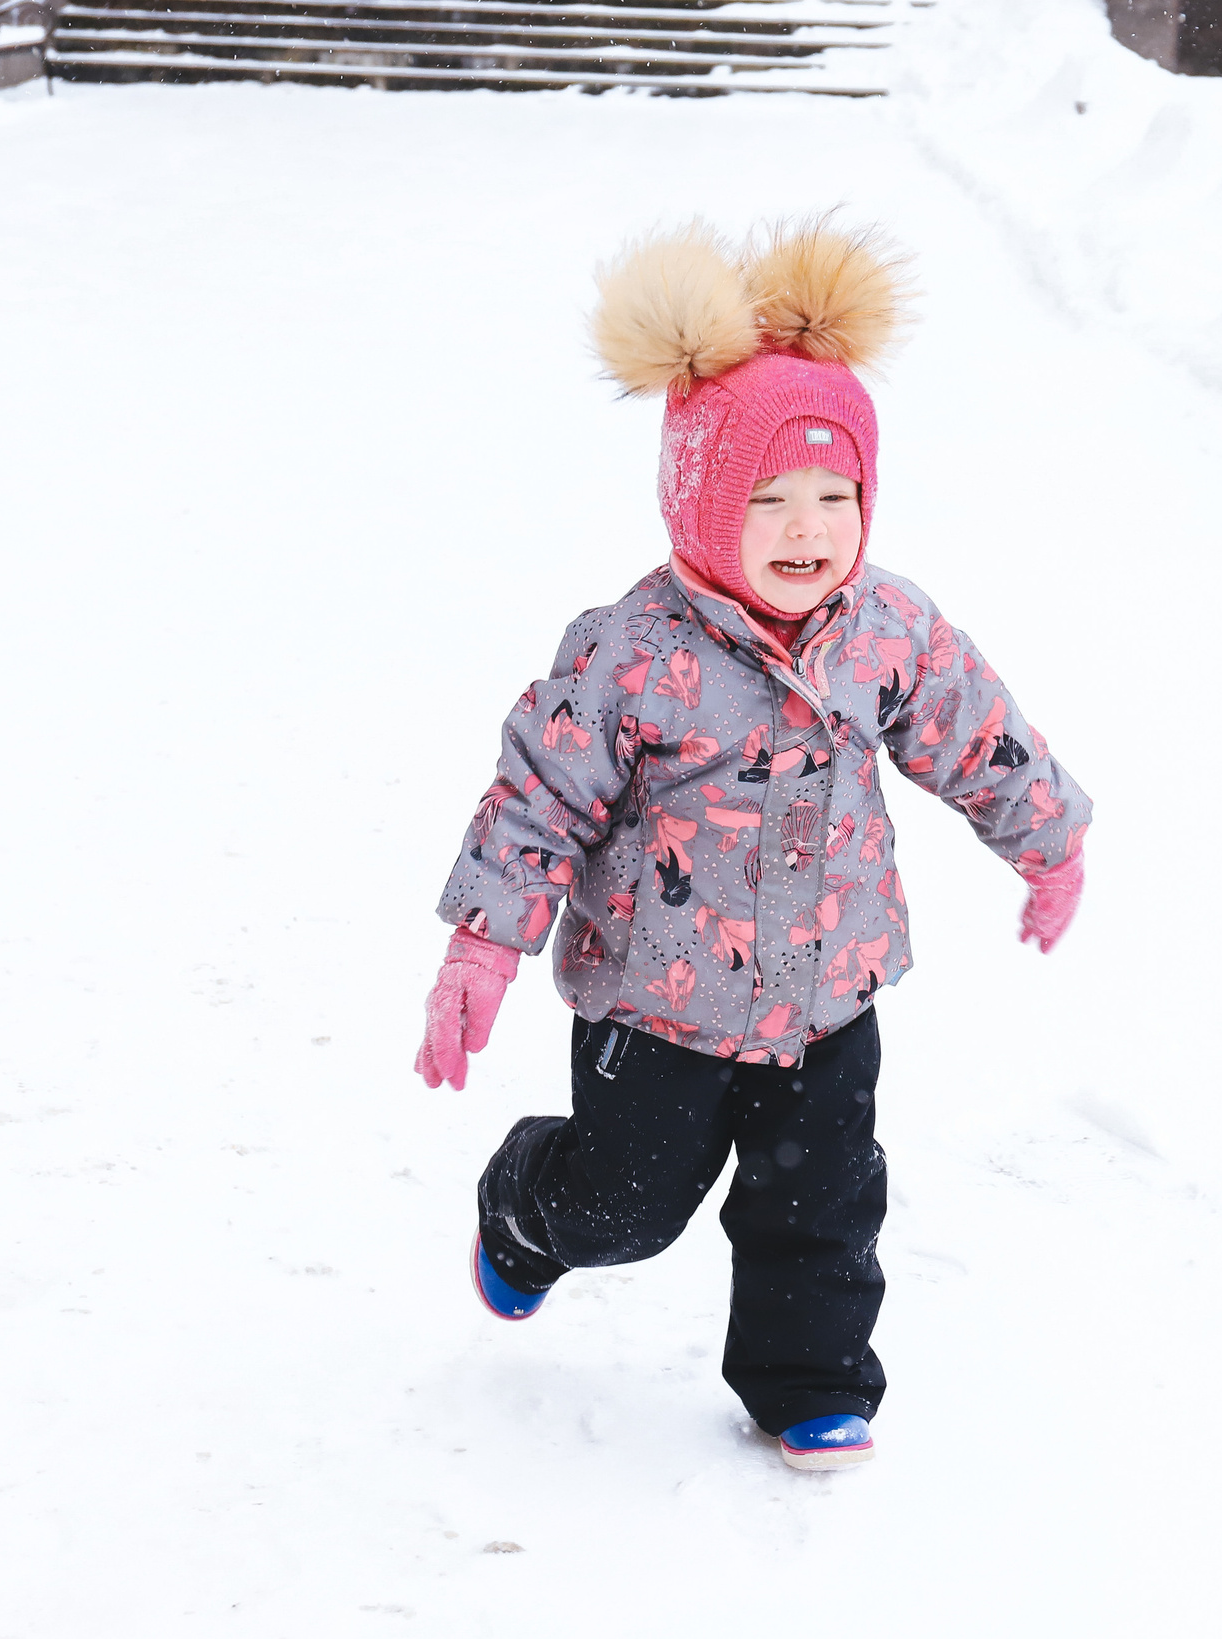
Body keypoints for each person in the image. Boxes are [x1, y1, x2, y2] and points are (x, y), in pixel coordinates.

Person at [412, 219, 1092, 1471]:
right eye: (767, 499)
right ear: (699, 502)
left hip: (828, 993)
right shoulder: (635, 652)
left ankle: (809, 1381)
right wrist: (480, 950)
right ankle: (525, 1211)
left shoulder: (885, 627)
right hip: (655, 1005)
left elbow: (971, 729)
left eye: (836, 497)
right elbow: (536, 800)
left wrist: (1045, 839)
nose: (805, 527)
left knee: (822, 1204)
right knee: (623, 1211)